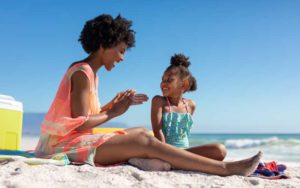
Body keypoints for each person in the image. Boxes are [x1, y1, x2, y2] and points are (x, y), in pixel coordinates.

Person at [35, 14, 262, 176]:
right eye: (121, 51)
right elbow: (81, 125)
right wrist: (114, 112)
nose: (122, 58)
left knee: (141, 133)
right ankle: (225, 169)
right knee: (142, 138)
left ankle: (147, 159)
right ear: (104, 44)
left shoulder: (92, 74)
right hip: (62, 146)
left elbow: (83, 116)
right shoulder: (82, 72)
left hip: (74, 141)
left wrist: (109, 107)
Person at [151, 53, 227, 160]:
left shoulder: (191, 105)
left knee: (220, 150)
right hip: (165, 152)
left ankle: (184, 160)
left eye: (169, 80)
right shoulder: (159, 101)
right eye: (162, 79)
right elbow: (157, 131)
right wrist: (165, 155)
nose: (163, 83)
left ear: (184, 84)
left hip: (184, 152)